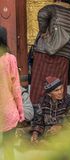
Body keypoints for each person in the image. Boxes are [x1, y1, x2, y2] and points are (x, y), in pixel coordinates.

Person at [31, 76, 70, 143]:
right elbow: (38, 122)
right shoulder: (42, 102)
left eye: (61, 88)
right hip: (48, 131)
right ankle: (44, 143)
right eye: (56, 90)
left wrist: (60, 126)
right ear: (49, 93)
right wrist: (35, 134)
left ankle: (48, 144)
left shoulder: (69, 101)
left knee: (66, 136)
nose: (60, 92)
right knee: (23, 134)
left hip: (65, 131)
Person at [0, 26, 24, 160]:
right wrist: (21, 112)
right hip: (8, 112)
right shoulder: (10, 59)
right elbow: (16, 89)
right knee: (9, 151)